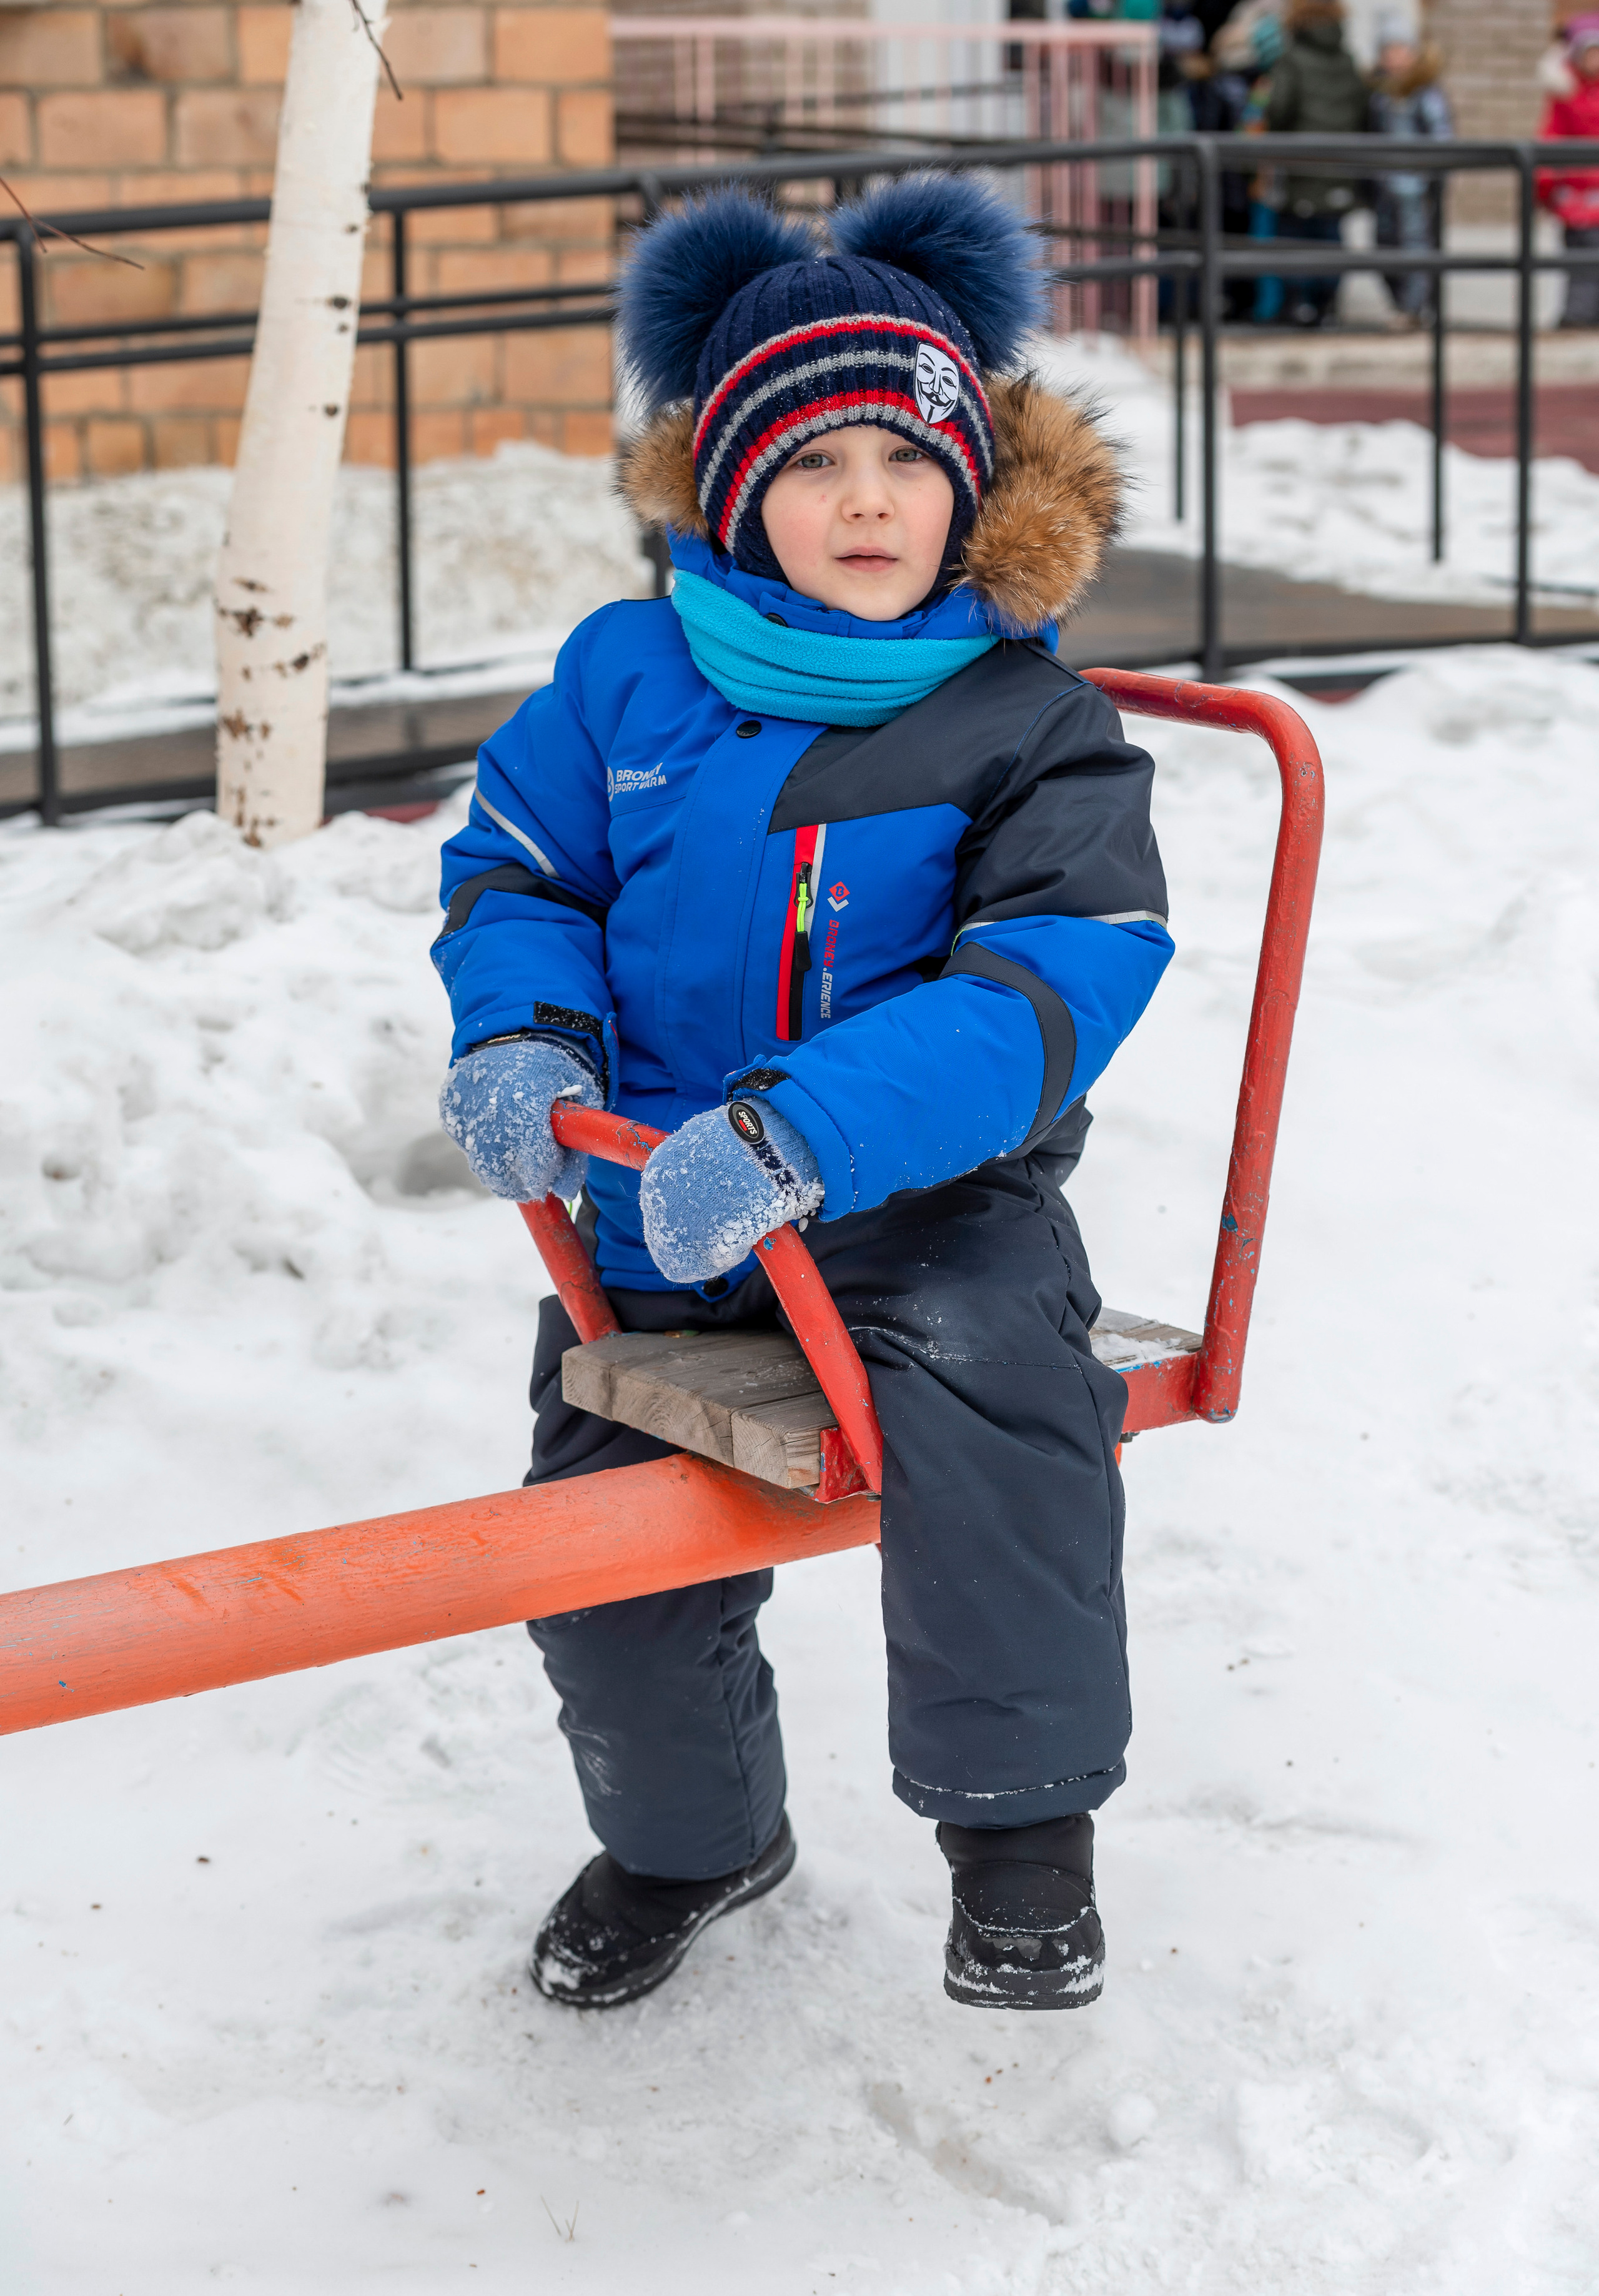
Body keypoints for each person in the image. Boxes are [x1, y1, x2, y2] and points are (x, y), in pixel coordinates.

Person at [432, 177, 1172, 2016]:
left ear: (972, 489)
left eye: (908, 461)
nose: (867, 498)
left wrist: (805, 1129)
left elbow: (1049, 978)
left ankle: (1017, 1838)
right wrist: (528, 1034)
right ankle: (692, 1836)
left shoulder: (1027, 721)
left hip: (925, 1196)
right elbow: (523, 869)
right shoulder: (631, 677)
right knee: (597, 1536)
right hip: (666, 1197)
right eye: (817, 457)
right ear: (739, 487)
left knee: (1004, 1407)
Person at [1264, 0, 1372, 325]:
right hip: (1340, 166)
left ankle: (1298, 304)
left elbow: (1279, 109)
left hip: (1300, 167)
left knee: (1294, 238)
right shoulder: (1349, 61)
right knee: (1331, 237)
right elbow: (1363, 112)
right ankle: (1327, 306)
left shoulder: (1291, 61)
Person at [1368, 19, 1453, 325]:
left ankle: (1413, 307)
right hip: (1384, 184)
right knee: (1383, 246)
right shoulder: (1379, 94)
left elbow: (1442, 137)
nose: (1392, 57)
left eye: (1399, 50)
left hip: (1415, 186)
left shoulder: (1425, 94)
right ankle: (1401, 302)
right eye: (1387, 50)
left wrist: (1432, 177)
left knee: (1415, 246)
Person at [1537, 15, 1599, 327]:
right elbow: (1550, 140)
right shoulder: (1566, 95)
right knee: (1581, 264)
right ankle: (1577, 318)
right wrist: (1545, 187)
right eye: (1590, 52)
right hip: (1577, 198)